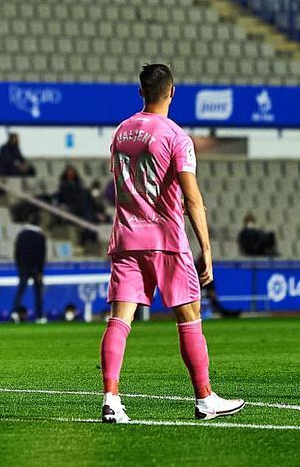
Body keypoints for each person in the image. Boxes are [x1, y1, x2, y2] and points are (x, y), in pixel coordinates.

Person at [100, 63, 244, 424]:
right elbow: (192, 198)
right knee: (189, 315)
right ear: (172, 91)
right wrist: (207, 249)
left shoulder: (120, 132)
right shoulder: (176, 136)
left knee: (120, 318)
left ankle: (111, 398)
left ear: (140, 93)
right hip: (165, 238)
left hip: (126, 236)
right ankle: (205, 398)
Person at [12, 214, 47, 323]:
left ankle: (14, 313)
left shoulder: (21, 235)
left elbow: (17, 252)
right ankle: (39, 316)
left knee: (20, 291)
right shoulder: (40, 236)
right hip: (36, 268)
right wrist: (41, 271)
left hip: (23, 267)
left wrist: (19, 266)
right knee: (38, 293)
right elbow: (42, 255)